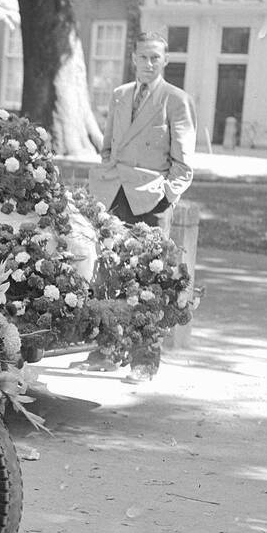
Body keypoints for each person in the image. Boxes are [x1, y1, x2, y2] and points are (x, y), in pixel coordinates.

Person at [80, 29, 197, 378]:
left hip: (150, 198)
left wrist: (167, 195)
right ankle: (105, 351)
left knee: (150, 279)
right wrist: (107, 172)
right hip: (114, 193)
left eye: (155, 57)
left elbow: (185, 164)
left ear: (165, 61)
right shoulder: (119, 95)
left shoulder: (176, 100)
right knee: (107, 273)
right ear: (133, 58)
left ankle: (145, 361)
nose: (148, 63)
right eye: (143, 56)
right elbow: (108, 146)